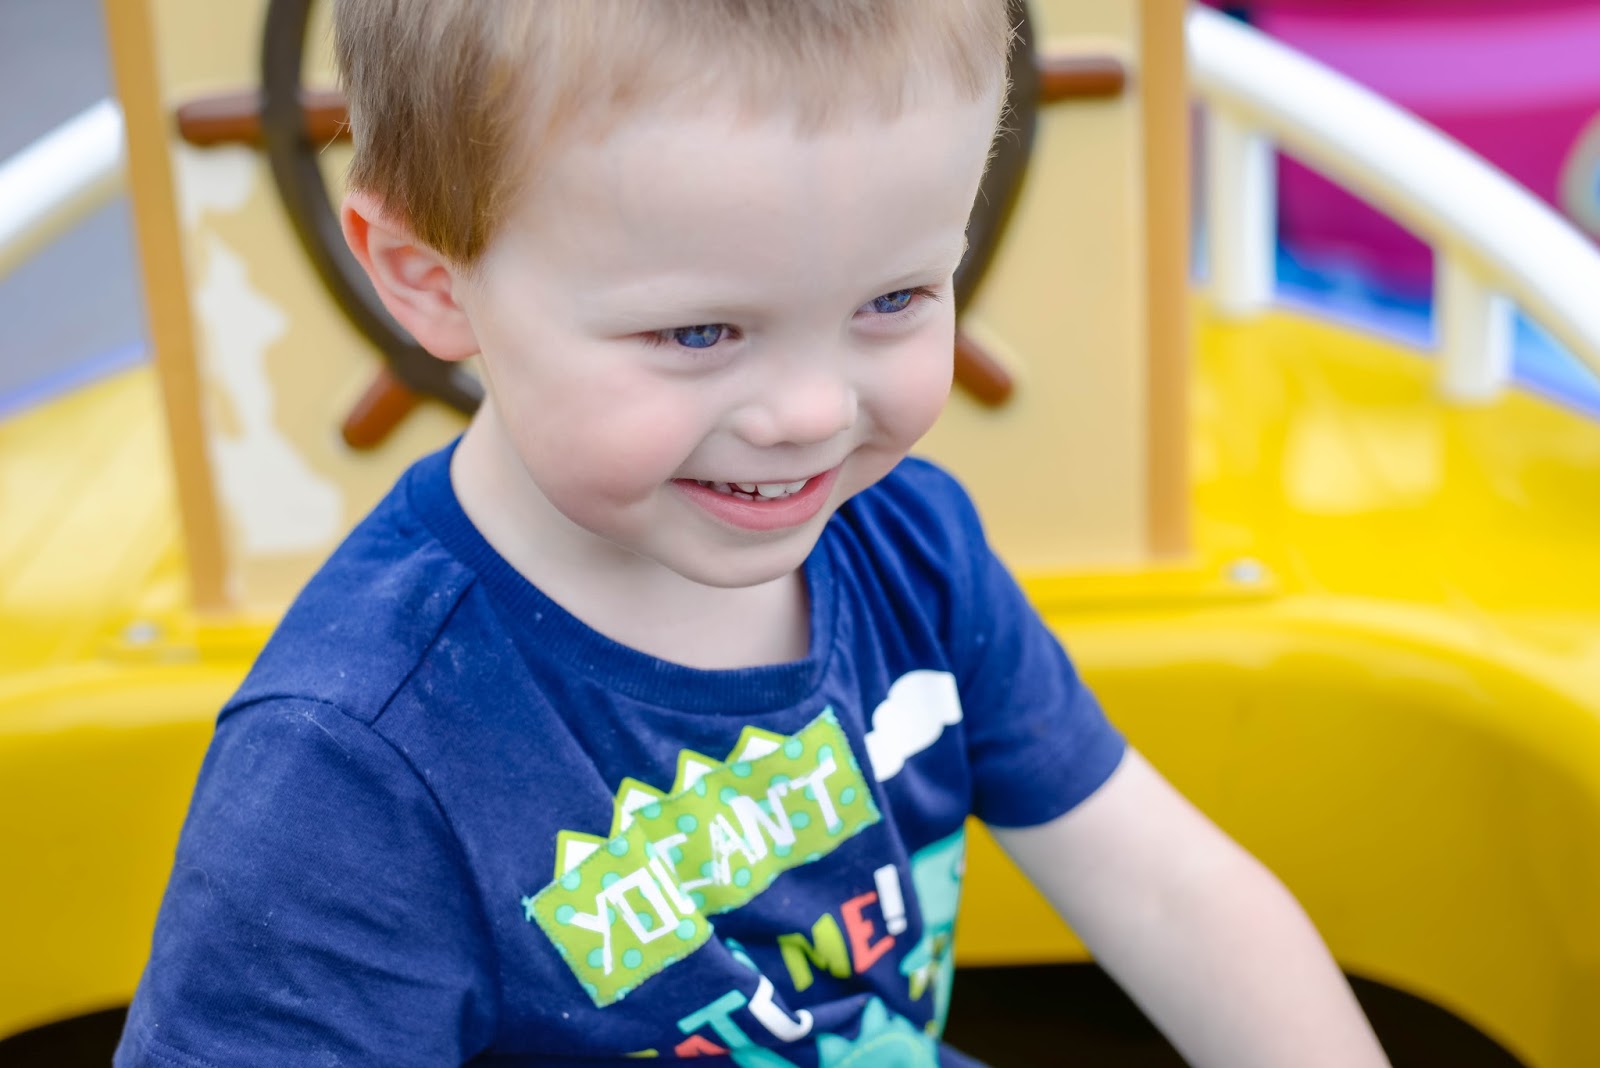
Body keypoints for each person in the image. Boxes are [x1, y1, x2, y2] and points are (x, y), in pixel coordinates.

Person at [116, 2, 1391, 1065]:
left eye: (895, 299)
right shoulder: (353, 767)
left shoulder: (908, 549)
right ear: (429, 277)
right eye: (698, 332)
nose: (812, 414)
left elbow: (1169, 891)